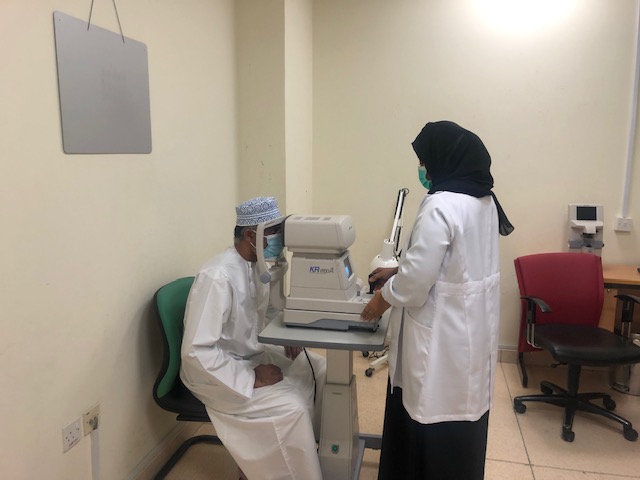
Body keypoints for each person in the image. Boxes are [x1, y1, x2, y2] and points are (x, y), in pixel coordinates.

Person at [361, 121, 514, 480]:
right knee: (463, 416)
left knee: (427, 413)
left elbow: (415, 284)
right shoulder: (483, 201)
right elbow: (453, 265)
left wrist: (380, 301)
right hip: (471, 334)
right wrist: (398, 269)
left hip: (441, 339)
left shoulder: (440, 204)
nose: (422, 168)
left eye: (423, 160)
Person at [180, 196, 326, 480]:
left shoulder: (254, 265)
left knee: (317, 368)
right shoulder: (218, 276)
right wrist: (251, 377)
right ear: (250, 236)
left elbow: (264, 312)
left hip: (248, 353)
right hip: (216, 372)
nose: (280, 239)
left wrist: (286, 334)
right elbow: (196, 351)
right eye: (275, 232)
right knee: (292, 407)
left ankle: (310, 448)